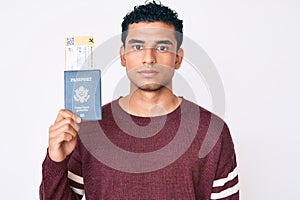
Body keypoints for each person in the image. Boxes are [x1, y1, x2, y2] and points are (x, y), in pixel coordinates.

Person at [40, 1, 239, 199]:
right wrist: (56, 160)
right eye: (137, 46)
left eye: (162, 47)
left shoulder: (212, 130)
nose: (148, 58)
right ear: (123, 56)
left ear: (177, 58)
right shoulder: (90, 127)